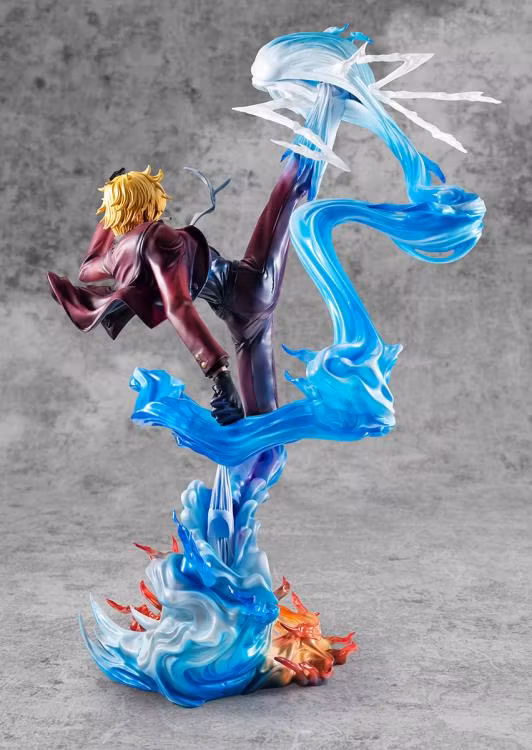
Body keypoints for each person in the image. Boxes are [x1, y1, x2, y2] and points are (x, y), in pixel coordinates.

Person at [48, 158, 311, 425]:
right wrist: (219, 374)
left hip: (237, 317)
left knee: (262, 426)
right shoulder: (157, 237)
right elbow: (177, 306)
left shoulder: (118, 254)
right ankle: (307, 154)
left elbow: (87, 269)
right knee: (288, 187)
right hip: (251, 286)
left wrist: (113, 205)